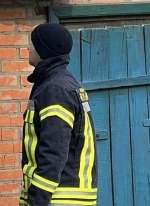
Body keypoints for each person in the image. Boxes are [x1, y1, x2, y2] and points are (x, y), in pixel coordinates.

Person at [20, 23, 97, 206]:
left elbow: (54, 150)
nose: (27, 48)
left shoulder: (55, 89)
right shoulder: (56, 83)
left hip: (58, 198)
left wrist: (38, 200)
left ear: (42, 50)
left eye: (31, 44)